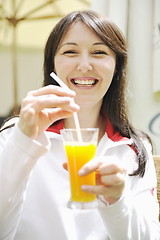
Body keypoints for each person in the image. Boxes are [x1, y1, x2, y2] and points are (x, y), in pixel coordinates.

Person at [0, 10, 159, 240]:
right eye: (71, 51)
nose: (84, 65)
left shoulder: (134, 148)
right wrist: (23, 143)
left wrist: (117, 201)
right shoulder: (16, 136)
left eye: (99, 52)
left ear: (117, 67)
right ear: (52, 63)